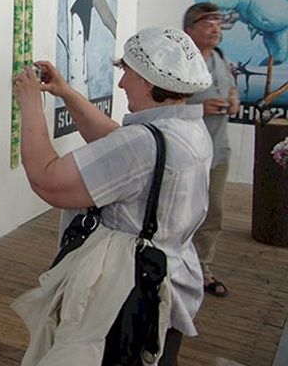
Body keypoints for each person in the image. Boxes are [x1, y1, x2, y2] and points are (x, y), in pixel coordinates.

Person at [14, 27, 213, 365]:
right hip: (165, 285)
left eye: (127, 72)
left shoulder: (142, 144)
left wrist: (31, 105)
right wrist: (66, 93)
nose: (121, 84)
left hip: (125, 297)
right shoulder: (186, 130)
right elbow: (117, 144)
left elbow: (47, 180)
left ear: (148, 81)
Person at [183, 2, 240, 298]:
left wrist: (233, 99)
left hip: (218, 151)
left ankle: (202, 268)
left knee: (212, 212)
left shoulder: (220, 57)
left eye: (218, 22)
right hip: (187, 153)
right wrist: (199, 107)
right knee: (182, 211)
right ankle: (175, 267)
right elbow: (162, 104)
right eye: (207, 22)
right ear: (189, 29)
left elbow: (230, 88)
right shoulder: (180, 62)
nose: (215, 27)